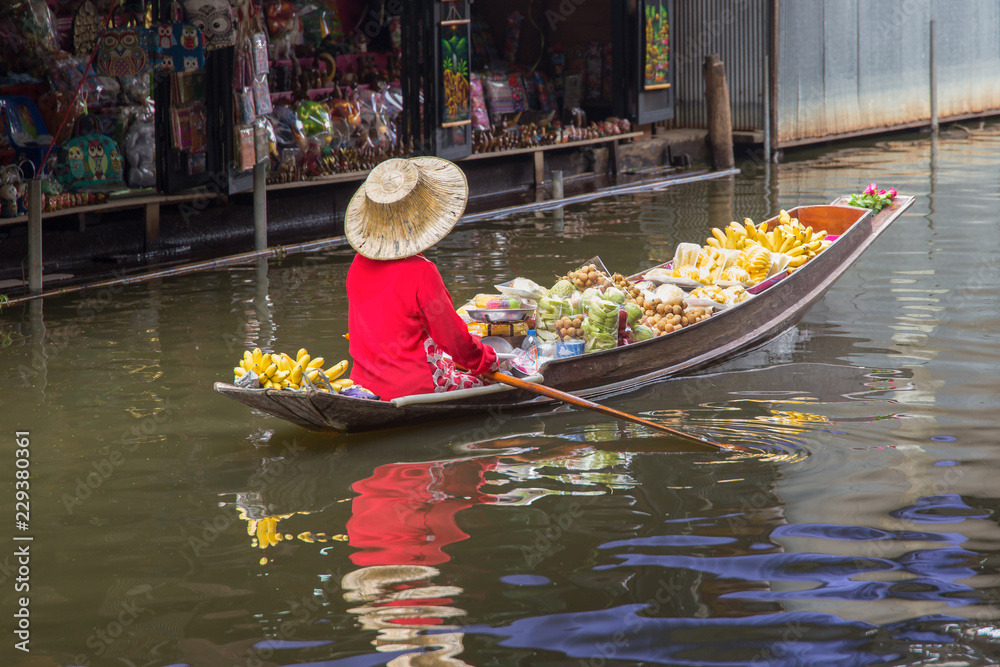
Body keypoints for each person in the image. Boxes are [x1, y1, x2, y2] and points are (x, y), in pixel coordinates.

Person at [345, 156, 498, 400]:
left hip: (363, 385)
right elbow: (454, 340)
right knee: (483, 382)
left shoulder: (357, 265)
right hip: (417, 387)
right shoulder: (422, 272)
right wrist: (487, 359)